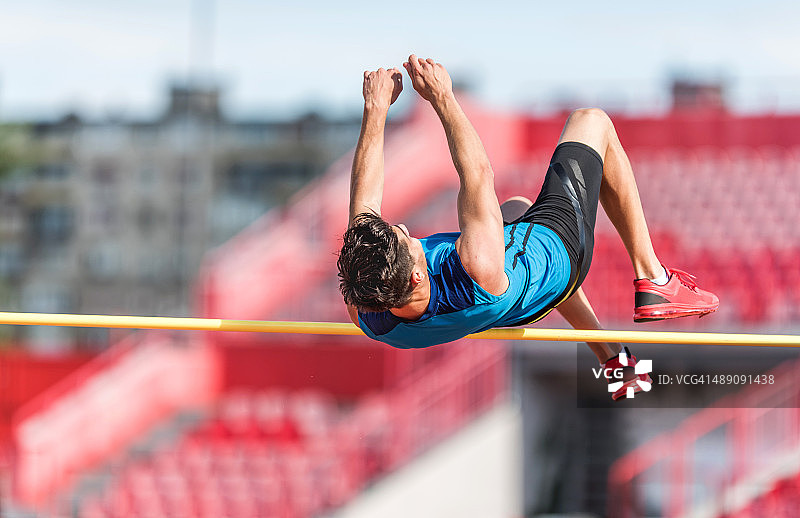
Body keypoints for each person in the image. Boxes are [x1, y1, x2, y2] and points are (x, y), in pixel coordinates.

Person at [337, 55, 719, 399]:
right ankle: (654, 278)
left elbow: (363, 206)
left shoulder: (368, 307)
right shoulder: (477, 265)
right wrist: (444, 98)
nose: (404, 227)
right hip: (562, 257)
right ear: (418, 276)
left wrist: (375, 111)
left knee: (516, 207)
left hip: (514, 311)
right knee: (591, 121)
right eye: (409, 239)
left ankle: (612, 359)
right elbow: (477, 174)